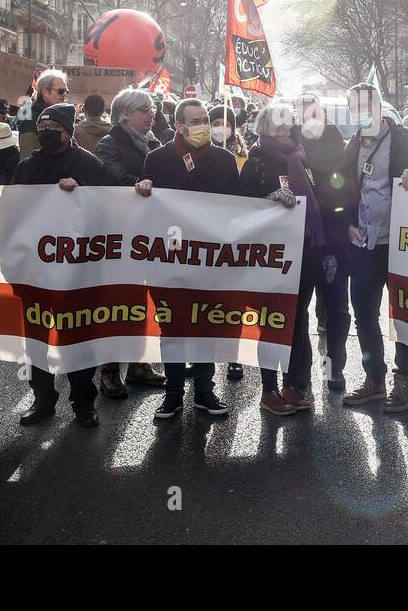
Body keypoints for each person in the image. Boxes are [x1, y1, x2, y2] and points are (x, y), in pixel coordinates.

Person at [135, 98, 241, 419]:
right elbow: (143, 202)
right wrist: (142, 186)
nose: (203, 126)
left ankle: (205, 391)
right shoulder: (157, 159)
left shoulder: (224, 160)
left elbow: (238, 207)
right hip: (170, 257)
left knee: (206, 323)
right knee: (172, 326)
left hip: (208, 258)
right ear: (179, 126)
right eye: (195, 121)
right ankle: (173, 393)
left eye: (205, 119)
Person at [11, 102, 112, 428]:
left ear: (68, 130)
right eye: (41, 128)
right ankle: (43, 400)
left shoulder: (89, 164)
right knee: (37, 340)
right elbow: (10, 214)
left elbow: (111, 208)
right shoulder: (26, 168)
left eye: (52, 128)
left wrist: (79, 194)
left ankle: (84, 402)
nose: (45, 133)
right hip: (36, 271)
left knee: (79, 338)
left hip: (78, 271)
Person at [340, 82, 408, 412]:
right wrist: (346, 222)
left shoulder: (407, 141)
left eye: (365, 106)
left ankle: (403, 382)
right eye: (354, 107)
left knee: (406, 314)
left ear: (378, 107)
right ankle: (374, 380)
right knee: (364, 314)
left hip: (401, 245)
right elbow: (341, 192)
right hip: (364, 246)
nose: (359, 113)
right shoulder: (351, 146)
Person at [238, 101, 321, 415]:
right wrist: (267, 201)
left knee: (298, 323)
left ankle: (291, 384)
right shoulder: (256, 162)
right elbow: (239, 208)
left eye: (289, 123)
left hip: (304, 253)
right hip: (271, 257)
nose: (286, 128)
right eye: (280, 124)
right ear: (265, 127)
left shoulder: (300, 157)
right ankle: (269, 389)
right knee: (273, 323)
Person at [92, 88, 168, 396]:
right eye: (144, 109)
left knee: (140, 301)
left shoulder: (155, 143)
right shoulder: (109, 144)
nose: (152, 114)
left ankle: (138, 364)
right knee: (117, 303)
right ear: (124, 114)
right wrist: (143, 185)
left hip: (148, 233)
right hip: (120, 234)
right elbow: (117, 181)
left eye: (152, 109)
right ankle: (109, 371)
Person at [297, 94, 351, 390]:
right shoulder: (291, 144)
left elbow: (348, 187)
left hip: (334, 238)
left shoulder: (338, 144)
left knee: (338, 310)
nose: (311, 118)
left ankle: (334, 369)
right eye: (305, 114)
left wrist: (345, 221)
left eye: (315, 113)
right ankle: (301, 372)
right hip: (300, 240)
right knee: (298, 311)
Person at [18, 69, 69, 158]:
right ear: (44, 92)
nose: (64, 95)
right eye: (61, 91)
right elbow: (28, 161)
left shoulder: (59, 117)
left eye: (66, 91)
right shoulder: (30, 121)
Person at [209, 103, 249, 172]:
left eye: (226, 125)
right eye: (216, 124)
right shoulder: (201, 152)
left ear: (232, 129)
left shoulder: (241, 154)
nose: (221, 128)